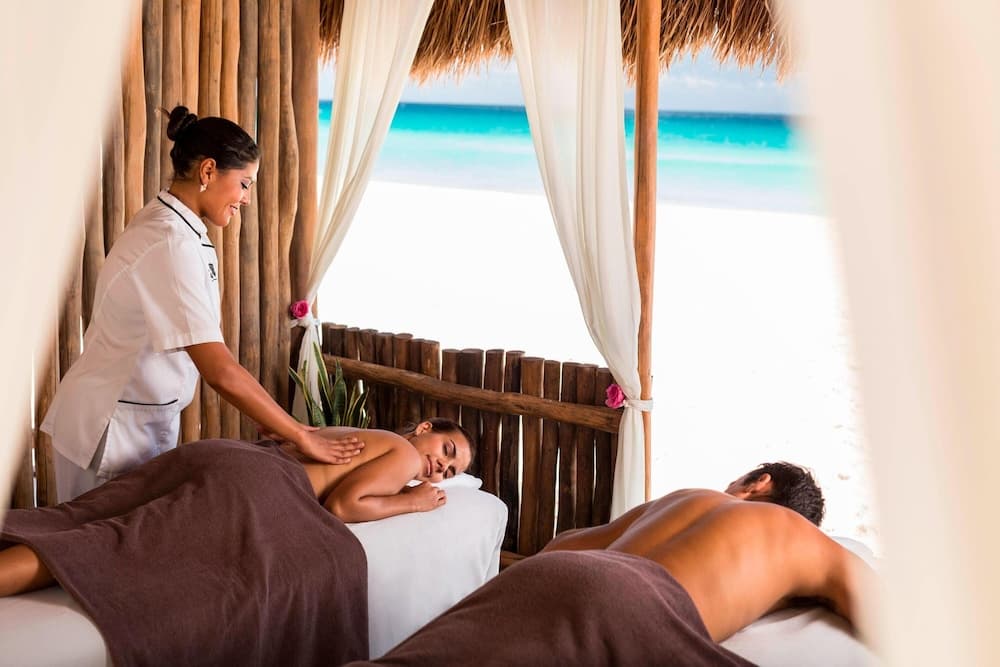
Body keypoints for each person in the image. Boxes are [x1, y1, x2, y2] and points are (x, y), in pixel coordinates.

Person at [41, 105, 356, 502]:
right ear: (208, 171)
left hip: (140, 420)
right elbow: (218, 369)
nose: (246, 199)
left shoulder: (185, 232)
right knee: (92, 540)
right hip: (109, 427)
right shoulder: (170, 240)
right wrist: (300, 434)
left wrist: (272, 418)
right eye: (244, 183)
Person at [345, 463, 874, 666]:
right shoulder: (803, 541)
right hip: (632, 606)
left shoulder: (686, 498)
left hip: (542, 581)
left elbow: (562, 547)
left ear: (759, 483)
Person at [0, 417, 475, 599]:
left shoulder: (362, 433)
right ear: (424, 428)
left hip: (226, 454)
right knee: (105, 545)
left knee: (81, 518)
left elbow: (292, 442)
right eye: (447, 450)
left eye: (450, 472)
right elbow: (344, 506)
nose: (440, 467)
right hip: (248, 483)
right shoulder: (404, 454)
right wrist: (411, 502)